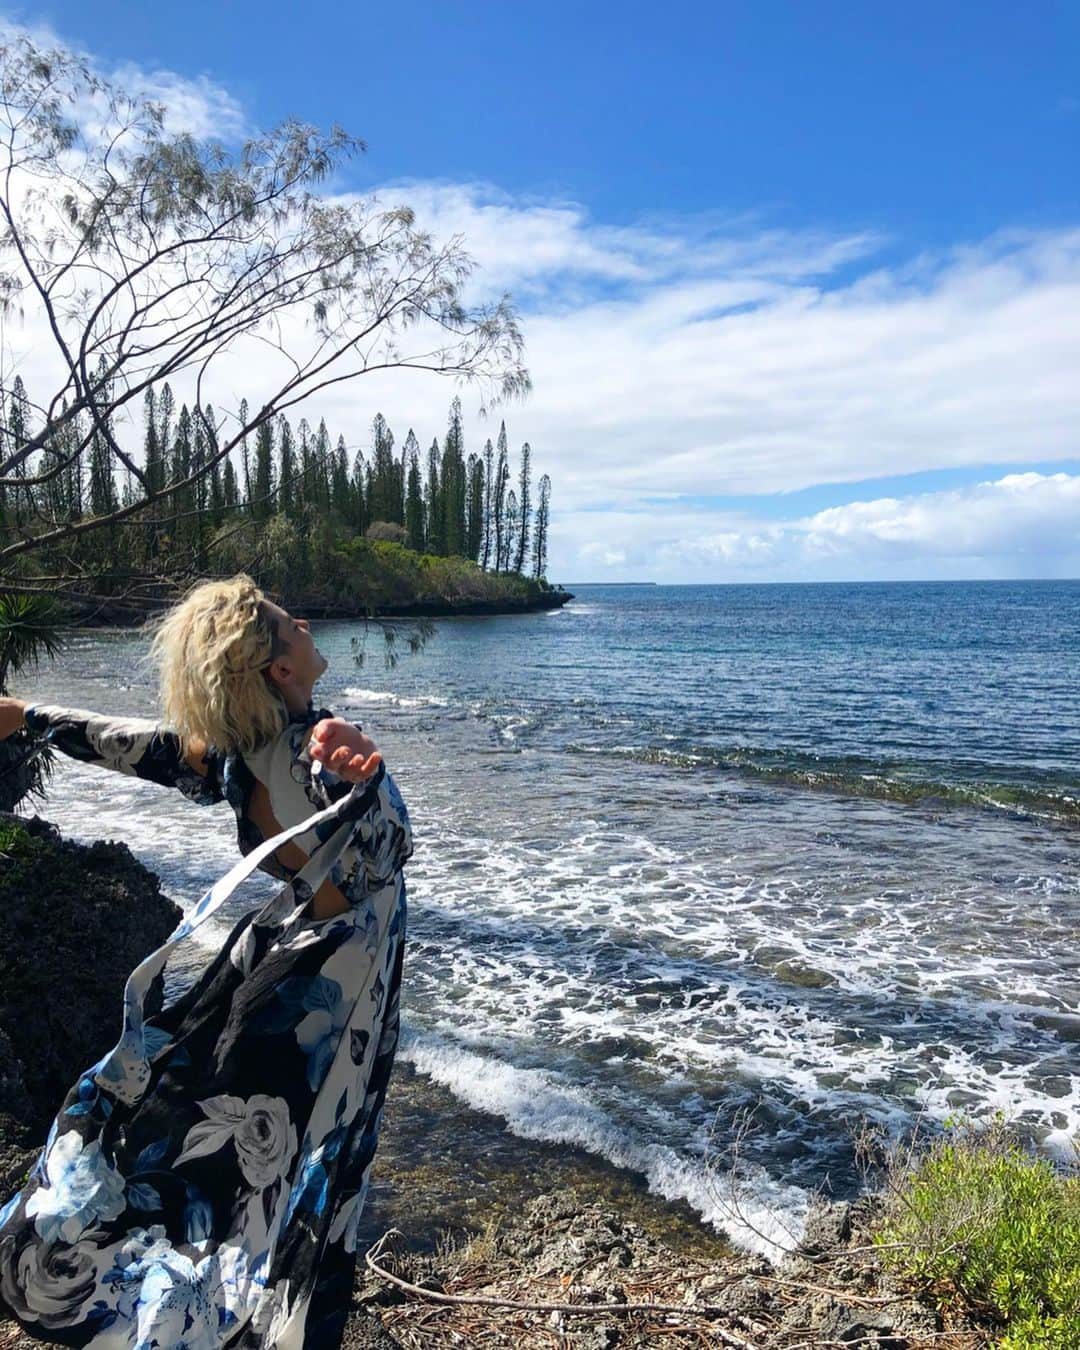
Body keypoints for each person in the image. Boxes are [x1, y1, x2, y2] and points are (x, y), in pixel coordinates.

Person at [0, 574, 413, 1348]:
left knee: (232, 1154)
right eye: (290, 623)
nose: (305, 618)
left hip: (294, 969)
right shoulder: (308, 751)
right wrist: (365, 770)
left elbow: (123, 742)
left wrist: (26, 716)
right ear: (278, 669)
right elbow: (391, 847)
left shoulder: (235, 754)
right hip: (332, 1002)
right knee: (302, 1173)